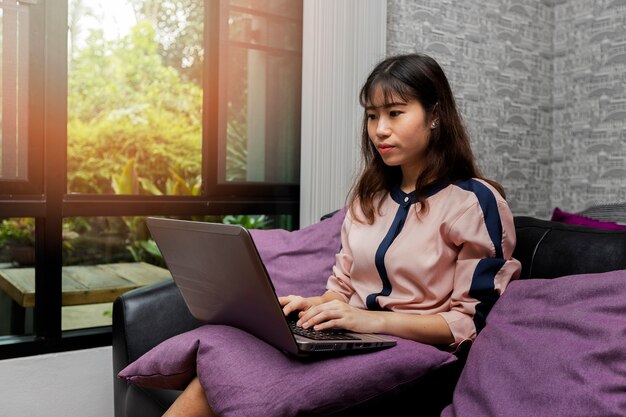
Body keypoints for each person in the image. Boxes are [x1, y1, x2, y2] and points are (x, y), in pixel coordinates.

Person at [163, 52, 522, 417]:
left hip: (417, 352)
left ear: (435, 115)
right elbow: (344, 283)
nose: (380, 129)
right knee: (229, 362)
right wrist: (318, 304)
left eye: (395, 113)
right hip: (356, 336)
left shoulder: (475, 202)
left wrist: (371, 321)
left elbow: (471, 321)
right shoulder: (370, 198)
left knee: (247, 383)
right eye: (372, 115)